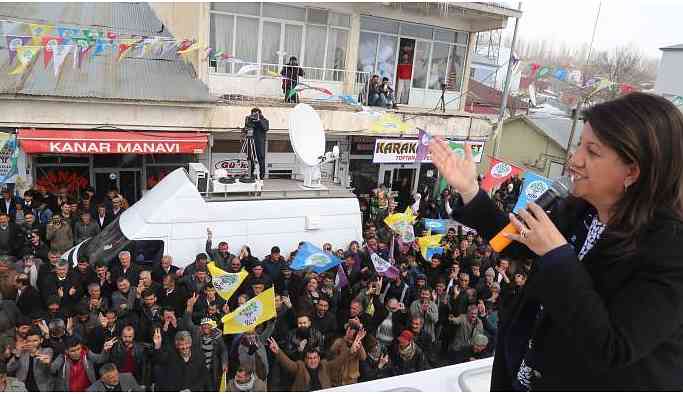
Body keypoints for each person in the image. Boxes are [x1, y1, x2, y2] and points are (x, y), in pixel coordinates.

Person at [428, 92, 683, 390]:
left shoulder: (670, 249)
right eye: (579, 145)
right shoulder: (580, 209)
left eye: (593, 152)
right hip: (523, 370)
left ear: (632, 171)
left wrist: (558, 256)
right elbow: (518, 242)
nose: (575, 159)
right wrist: (471, 190)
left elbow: (613, 346)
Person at [266, 328, 364, 392]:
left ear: (319, 358)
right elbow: (288, 363)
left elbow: (340, 360)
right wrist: (278, 351)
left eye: (315, 358)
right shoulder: (300, 366)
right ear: (305, 359)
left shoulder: (325, 365)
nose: (313, 361)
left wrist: (350, 350)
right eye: (310, 358)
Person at [243, 108, 269, 180]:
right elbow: (246, 129)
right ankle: (250, 174)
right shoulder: (250, 119)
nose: (254, 115)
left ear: (260, 114)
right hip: (251, 141)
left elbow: (266, 128)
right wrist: (245, 129)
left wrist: (259, 120)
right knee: (250, 159)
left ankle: (262, 176)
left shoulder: (265, 120)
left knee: (261, 159)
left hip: (260, 143)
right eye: (253, 114)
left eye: (256, 114)